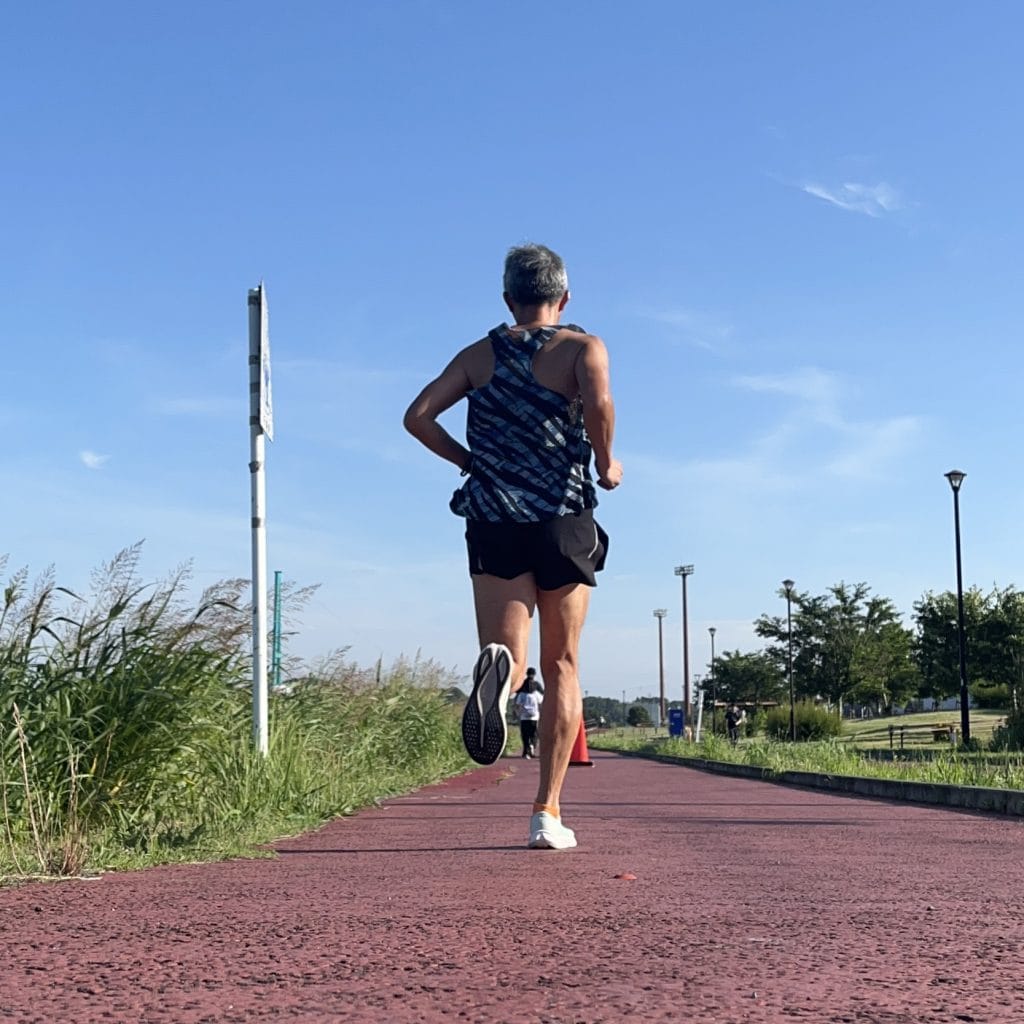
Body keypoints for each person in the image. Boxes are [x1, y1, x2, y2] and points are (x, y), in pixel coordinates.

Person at [404, 243, 622, 850]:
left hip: (494, 516)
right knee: (562, 665)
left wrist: (470, 461)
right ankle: (546, 813)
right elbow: (599, 404)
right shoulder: (582, 348)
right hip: (561, 516)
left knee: (507, 652)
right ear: (564, 297)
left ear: (508, 299)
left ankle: (498, 686)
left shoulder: (478, 356)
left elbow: (418, 416)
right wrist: (606, 463)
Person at [514, 670, 543, 759]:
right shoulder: (536, 691)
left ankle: (526, 752)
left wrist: (517, 713)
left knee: (525, 735)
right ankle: (532, 746)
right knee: (534, 733)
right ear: (534, 674)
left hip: (524, 717)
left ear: (526, 674)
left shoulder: (522, 691)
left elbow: (517, 704)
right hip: (534, 716)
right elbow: (541, 702)